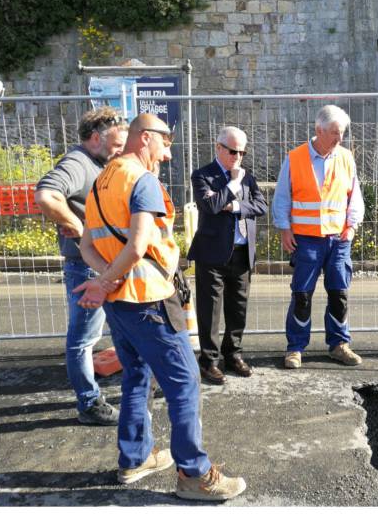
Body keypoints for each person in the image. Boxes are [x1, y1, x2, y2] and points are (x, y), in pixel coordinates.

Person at [76, 113, 245, 500]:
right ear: (145, 139)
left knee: (136, 375)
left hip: (122, 304)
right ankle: (194, 474)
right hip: (151, 301)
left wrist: (108, 281)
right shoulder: (142, 180)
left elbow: (86, 245)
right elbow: (137, 247)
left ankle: (135, 458)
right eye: (166, 143)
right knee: (184, 383)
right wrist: (108, 280)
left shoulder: (101, 181)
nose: (168, 154)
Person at [35, 106, 128, 426]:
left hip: (105, 266)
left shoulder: (98, 162)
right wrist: (74, 224)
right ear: (93, 138)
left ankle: (133, 383)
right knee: (83, 341)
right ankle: (89, 404)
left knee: (118, 330)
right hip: (87, 268)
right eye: (115, 146)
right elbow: (47, 195)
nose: (118, 152)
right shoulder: (77, 162)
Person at [273, 104, 364, 369]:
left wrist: (352, 226)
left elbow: (354, 195)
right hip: (306, 239)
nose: (340, 139)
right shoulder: (295, 157)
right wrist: (284, 228)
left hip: (339, 240)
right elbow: (282, 197)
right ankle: (295, 347)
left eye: (342, 133)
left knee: (339, 293)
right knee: (302, 294)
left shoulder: (346, 157)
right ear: (318, 130)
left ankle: (339, 345)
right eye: (335, 133)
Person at [188, 126, 268, 384]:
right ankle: (209, 361)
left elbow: (261, 206)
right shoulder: (203, 175)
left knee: (238, 308)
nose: (238, 157)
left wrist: (233, 205)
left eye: (242, 152)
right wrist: (232, 183)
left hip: (242, 253)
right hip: (212, 255)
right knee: (209, 310)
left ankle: (233, 354)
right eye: (233, 151)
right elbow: (210, 205)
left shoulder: (248, 177)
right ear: (219, 147)